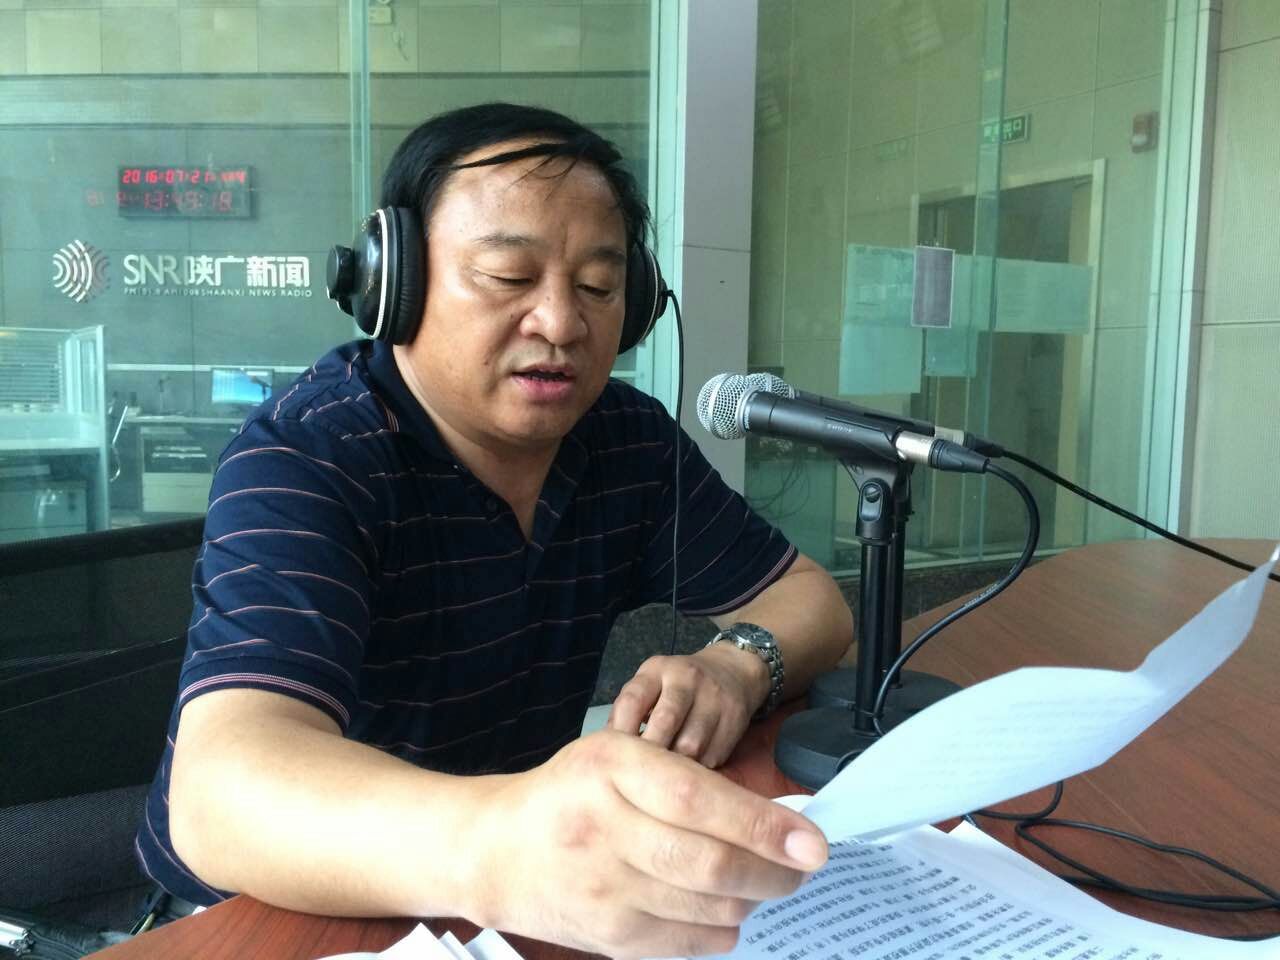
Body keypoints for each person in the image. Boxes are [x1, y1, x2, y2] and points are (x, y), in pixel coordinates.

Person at [136, 102, 853, 959]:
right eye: (509, 276)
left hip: (501, 902)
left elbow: (811, 600)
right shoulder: (309, 454)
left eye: (598, 288)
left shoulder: (623, 441)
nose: (561, 323)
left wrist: (737, 665)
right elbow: (221, 796)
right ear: (394, 283)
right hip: (273, 915)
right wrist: (508, 841)